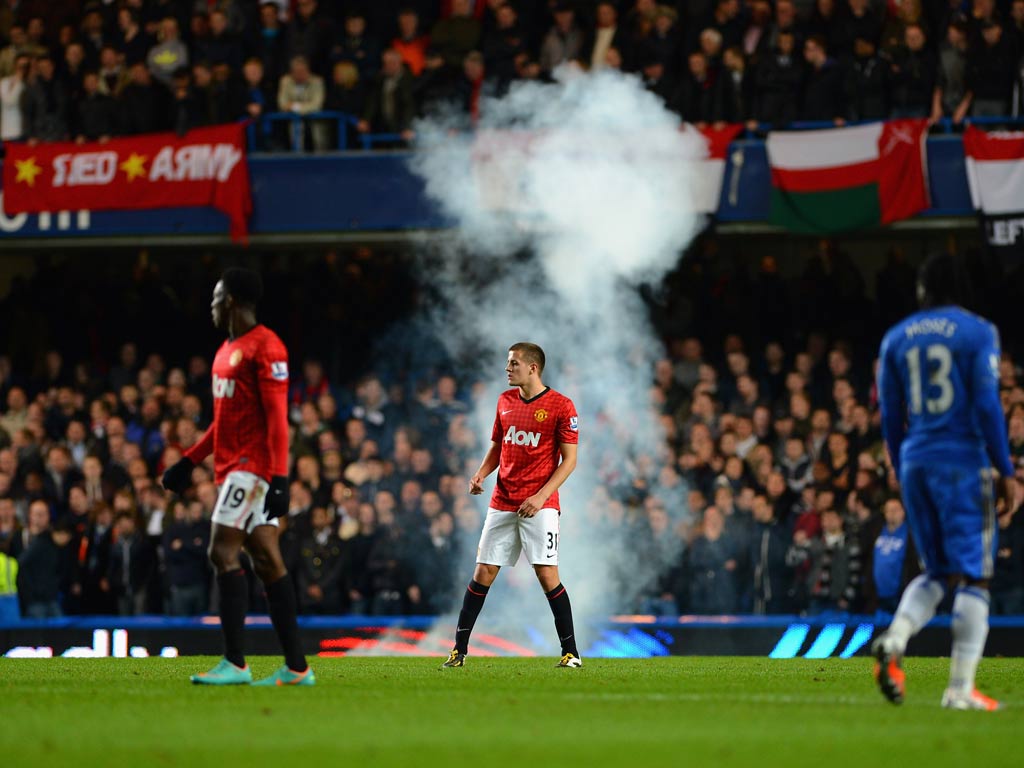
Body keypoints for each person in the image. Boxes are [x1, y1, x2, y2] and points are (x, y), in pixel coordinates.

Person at [874, 253, 1023, 711]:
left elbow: (892, 417)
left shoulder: (895, 338)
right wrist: (1007, 469)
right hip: (961, 460)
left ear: (923, 290)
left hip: (916, 460)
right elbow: (985, 404)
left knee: (938, 571)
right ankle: (959, 688)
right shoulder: (979, 331)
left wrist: (902, 468)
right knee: (975, 577)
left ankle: (895, 637)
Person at [161, 268, 313, 687]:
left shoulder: (267, 347)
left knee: (220, 551)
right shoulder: (226, 350)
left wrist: (280, 479)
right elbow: (223, 423)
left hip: (253, 468)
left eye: (214, 297)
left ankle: (234, 662)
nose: (210, 305)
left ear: (229, 300)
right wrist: (189, 461)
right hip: (233, 467)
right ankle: (298, 668)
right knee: (266, 559)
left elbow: (278, 419)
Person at [443, 342, 581, 668]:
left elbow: (570, 460)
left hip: (540, 503)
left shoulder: (561, 406)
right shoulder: (504, 401)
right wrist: (480, 474)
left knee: (547, 575)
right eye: (508, 363)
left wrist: (541, 496)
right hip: (503, 500)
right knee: (483, 572)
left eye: (513, 363)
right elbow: (497, 447)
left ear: (533, 367)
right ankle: (458, 651)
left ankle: (572, 653)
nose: (507, 368)